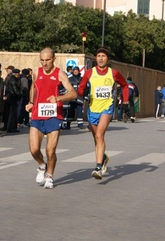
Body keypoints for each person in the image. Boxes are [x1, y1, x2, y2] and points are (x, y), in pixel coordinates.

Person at [25, 48, 77, 189]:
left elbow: (73, 94)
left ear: (54, 59)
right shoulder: (36, 72)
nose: (44, 63)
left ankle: (49, 176)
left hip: (54, 116)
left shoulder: (60, 74)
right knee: (34, 150)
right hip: (37, 115)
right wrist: (30, 102)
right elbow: (33, 87)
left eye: (47, 60)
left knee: (50, 151)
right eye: (42, 60)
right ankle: (42, 166)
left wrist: (58, 98)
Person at [77, 47, 129, 179]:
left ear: (108, 59)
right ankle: (103, 157)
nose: (100, 58)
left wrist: (125, 100)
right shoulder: (90, 73)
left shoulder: (113, 73)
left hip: (107, 107)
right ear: (96, 58)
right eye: (98, 56)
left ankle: (98, 167)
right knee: (96, 138)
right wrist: (82, 93)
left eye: (103, 56)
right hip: (93, 108)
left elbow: (125, 85)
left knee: (100, 134)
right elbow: (81, 88)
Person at [6, 68, 22, 133]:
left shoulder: (12, 79)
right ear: (16, 74)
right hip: (13, 98)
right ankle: (11, 127)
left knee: (12, 113)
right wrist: (22, 92)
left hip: (11, 98)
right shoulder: (14, 81)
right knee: (13, 114)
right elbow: (16, 91)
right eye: (18, 73)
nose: (19, 75)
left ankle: (11, 127)